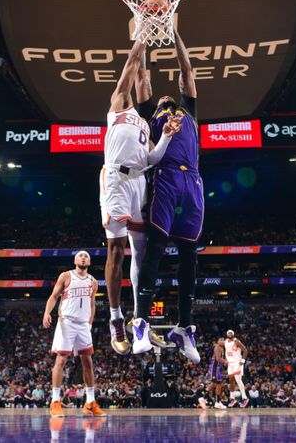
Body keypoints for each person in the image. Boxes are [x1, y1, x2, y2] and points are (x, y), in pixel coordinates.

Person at [100, 38, 181, 355]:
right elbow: (133, 65)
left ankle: (138, 319)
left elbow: (153, 159)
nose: (136, 83)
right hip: (116, 181)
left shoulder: (147, 124)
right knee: (116, 250)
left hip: (138, 183)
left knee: (141, 250)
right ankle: (115, 319)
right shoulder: (118, 104)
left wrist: (167, 137)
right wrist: (141, 35)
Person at [133, 30, 203, 363]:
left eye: (167, 96)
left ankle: (184, 327)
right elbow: (141, 76)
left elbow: (186, 68)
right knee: (156, 248)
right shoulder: (150, 117)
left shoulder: (188, 110)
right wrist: (143, 38)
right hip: (167, 176)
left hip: (194, 181)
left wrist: (175, 31)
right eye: (158, 99)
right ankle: (142, 321)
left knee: (190, 253)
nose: (162, 97)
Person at [43, 251, 106, 418]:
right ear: (75, 260)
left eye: (86, 256)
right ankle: (55, 402)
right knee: (61, 359)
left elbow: (92, 304)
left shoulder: (93, 281)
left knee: (88, 361)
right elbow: (54, 296)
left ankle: (90, 403)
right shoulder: (66, 276)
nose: (83, 257)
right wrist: (47, 313)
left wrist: (89, 322)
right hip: (67, 322)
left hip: (83, 324)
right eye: (80, 256)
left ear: (90, 262)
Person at [199, 337, 228, 409]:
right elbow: (218, 359)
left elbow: (219, 359)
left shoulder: (221, 348)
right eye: (221, 340)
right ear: (218, 341)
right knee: (215, 383)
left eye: (223, 340)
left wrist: (224, 362)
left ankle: (217, 402)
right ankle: (204, 399)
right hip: (215, 367)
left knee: (218, 384)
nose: (222, 341)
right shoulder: (218, 347)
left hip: (217, 368)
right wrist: (225, 361)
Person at [224, 330, 250, 408]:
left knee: (238, 380)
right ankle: (232, 398)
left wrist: (242, 361)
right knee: (231, 380)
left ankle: (245, 398)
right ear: (226, 334)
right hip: (230, 363)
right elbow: (227, 352)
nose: (230, 334)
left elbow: (245, 350)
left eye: (231, 333)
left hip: (237, 363)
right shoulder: (225, 342)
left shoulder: (236, 341)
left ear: (233, 334)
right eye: (228, 333)